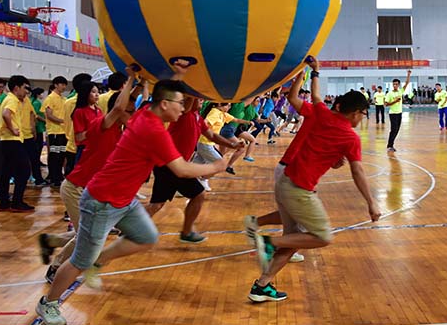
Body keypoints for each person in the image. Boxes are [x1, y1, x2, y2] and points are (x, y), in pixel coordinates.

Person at [34, 74, 229, 325]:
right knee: (80, 260)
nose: (184, 107)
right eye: (180, 103)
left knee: (146, 237)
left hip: (124, 201)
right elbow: (181, 169)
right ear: (166, 105)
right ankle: (47, 303)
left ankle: (100, 260)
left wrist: (176, 75)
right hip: (101, 201)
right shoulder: (153, 129)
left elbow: (144, 98)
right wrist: (217, 166)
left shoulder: (144, 113)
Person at [244, 57, 380, 302]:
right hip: (299, 189)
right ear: (354, 113)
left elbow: (316, 97)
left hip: (285, 182)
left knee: (295, 240)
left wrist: (314, 72)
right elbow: (357, 171)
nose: (362, 118)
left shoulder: (323, 114)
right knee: (322, 237)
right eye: (362, 113)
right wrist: (371, 202)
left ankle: (262, 285)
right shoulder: (350, 138)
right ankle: (267, 242)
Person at [39, 79, 137, 283]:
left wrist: (143, 84)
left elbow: (131, 107)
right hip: (75, 189)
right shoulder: (103, 126)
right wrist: (131, 80)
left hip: (89, 191)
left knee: (90, 234)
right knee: (85, 236)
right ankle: (55, 267)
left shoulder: (117, 131)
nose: (131, 116)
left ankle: (51, 241)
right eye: (128, 112)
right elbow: (119, 106)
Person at [147, 97, 244, 243]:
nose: (200, 100)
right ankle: (186, 232)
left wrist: (232, 145)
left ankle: (124, 223)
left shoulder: (197, 117)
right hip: (170, 166)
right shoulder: (183, 114)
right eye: (197, 98)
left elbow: (212, 135)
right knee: (198, 194)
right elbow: (190, 97)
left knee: (157, 204)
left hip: (171, 165)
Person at [0, 75, 34, 213]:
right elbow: (6, 114)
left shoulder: (15, 100)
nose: (27, 91)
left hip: (8, 140)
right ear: (16, 88)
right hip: (12, 140)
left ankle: (5, 202)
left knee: (6, 172)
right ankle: (16, 202)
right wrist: (12, 128)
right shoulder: (12, 99)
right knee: (24, 170)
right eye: (25, 88)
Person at [42, 76, 69, 188]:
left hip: (63, 132)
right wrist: (62, 121)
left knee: (61, 154)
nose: (63, 87)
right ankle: (54, 177)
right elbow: (49, 115)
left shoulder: (63, 99)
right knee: (55, 155)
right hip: (54, 133)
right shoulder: (50, 98)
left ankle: (59, 176)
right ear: (56, 85)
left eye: (64, 85)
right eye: (61, 84)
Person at [384, 70, 412, 152]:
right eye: (394, 84)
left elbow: (407, 83)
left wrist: (408, 74)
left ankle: (391, 144)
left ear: (399, 85)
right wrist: (394, 101)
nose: (395, 85)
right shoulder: (389, 94)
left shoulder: (400, 91)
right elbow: (385, 104)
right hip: (393, 114)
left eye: (396, 84)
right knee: (393, 129)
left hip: (399, 113)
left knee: (397, 130)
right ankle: (390, 145)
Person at [30, 88, 48, 186]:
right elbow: (35, 116)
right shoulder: (36, 103)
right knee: (36, 153)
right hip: (38, 130)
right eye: (41, 93)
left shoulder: (31, 102)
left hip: (36, 130)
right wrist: (45, 120)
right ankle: (37, 178)